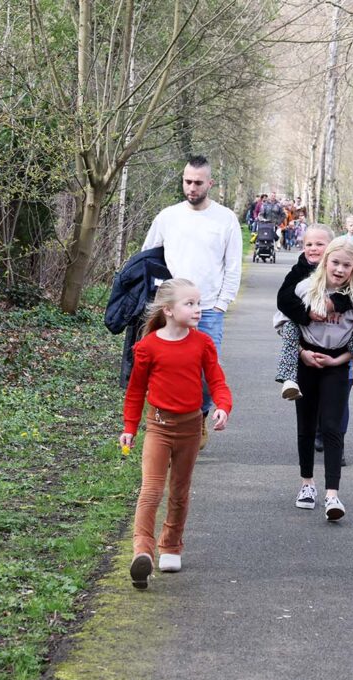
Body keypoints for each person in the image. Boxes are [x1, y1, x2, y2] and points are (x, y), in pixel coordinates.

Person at [120, 278, 233, 590]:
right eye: (190, 304)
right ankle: (142, 551)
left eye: (198, 303)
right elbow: (135, 392)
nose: (198, 310)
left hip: (190, 428)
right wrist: (130, 428)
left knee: (180, 491)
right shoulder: (147, 347)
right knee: (151, 490)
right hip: (158, 427)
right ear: (168, 310)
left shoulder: (202, 344)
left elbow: (217, 382)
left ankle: (170, 545)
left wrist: (223, 406)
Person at [141, 155, 242, 448]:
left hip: (208, 309)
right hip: (170, 308)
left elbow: (233, 265)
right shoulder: (168, 216)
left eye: (198, 182)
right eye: (187, 181)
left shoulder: (225, 219)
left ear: (210, 183)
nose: (192, 187)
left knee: (207, 372)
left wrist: (222, 304)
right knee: (166, 368)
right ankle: (168, 425)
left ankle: (199, 418)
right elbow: (148, 257)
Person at [281, 236, 353, 521]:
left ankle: (332, 494)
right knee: (306, 425)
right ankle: (307, 484)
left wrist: (338, 360)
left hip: (337, 363)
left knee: (332, 426)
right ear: (325, 261)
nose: (340, 269)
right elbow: (285, 323)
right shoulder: (306, 289)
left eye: (347, 265)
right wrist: (303, 353)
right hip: (306, 359)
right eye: (335, 263)